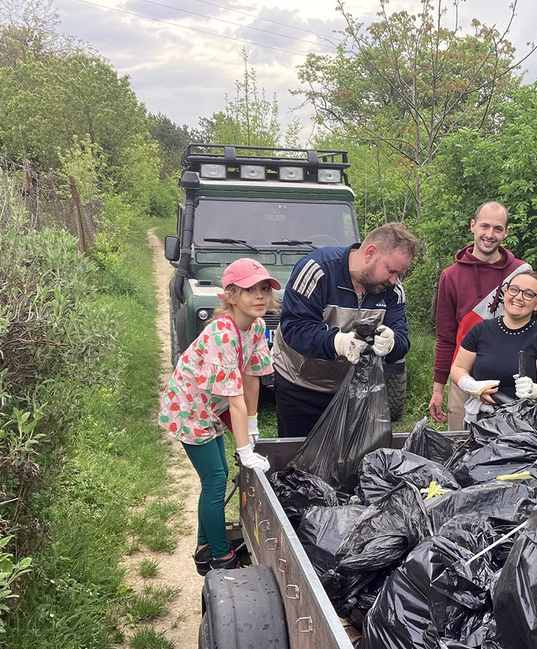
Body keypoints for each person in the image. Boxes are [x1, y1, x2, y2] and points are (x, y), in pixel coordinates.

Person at [158, 258, 279, 575]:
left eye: (264, 289)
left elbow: (252, 377)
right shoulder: (222, 333)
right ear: (231, 295)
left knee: (218, 473)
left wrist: (252, 424)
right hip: (190, 408)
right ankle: (221, 557)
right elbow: (234, 400)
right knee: (215, 480)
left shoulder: (255, 327)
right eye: (250, 289)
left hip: (210, 407)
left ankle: (203, 547)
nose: (260, 296)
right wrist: (245, 450)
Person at [271, 221, 420, 438]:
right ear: (370, 253)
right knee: (297, 464)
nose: (394, 280)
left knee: (349, 465)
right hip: (300, 385)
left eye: (399, 274)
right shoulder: (316, 270)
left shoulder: (393, 291)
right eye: (391, 270)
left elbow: (402, 338)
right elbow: (295, 328)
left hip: (354, 391)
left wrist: (392, 343)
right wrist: (338, 343)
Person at [429, 201, 532, 429]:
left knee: (510, 454)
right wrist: (438, 389)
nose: (489, 234)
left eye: (497, 229)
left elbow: (530, 332)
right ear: (473, 226)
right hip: (464, 379)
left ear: (506, 232)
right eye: (484, 226)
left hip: (509, 381)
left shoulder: (521, 273)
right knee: (460, 450)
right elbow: (446, 337)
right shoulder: (451, 276)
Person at [448, 270, 537, 428]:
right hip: (486, 417)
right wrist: (472, 386)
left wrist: (535, 390)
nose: (519, 297)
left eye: (529, 294)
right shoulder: (480, 331)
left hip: (533, 420)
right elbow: (458, 368)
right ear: (505, 293)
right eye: (514, 289)